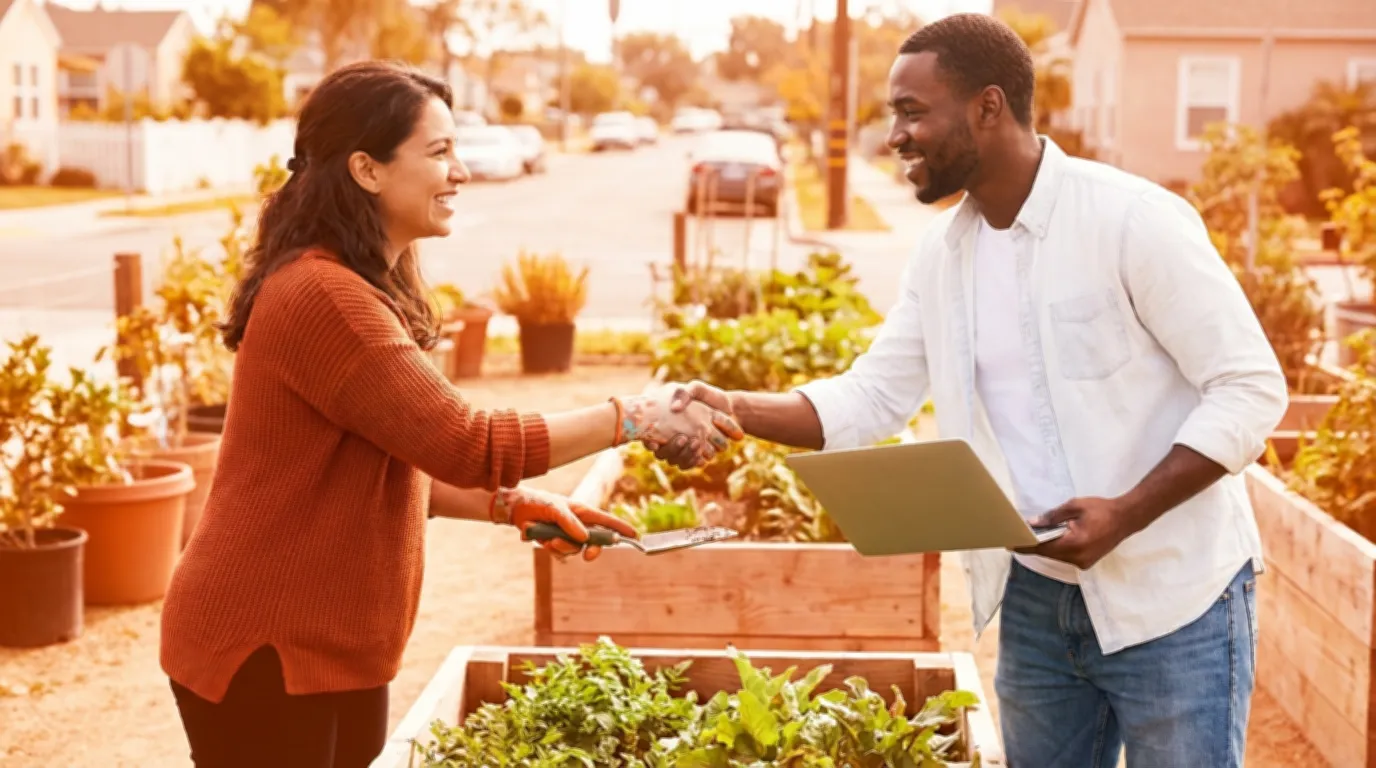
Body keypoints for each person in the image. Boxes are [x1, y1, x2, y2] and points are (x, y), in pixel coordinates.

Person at [658, 13, 1288, 768]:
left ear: (988, 108)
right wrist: (735, 408)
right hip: (1036, 600)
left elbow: (1250, 388)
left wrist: (1126, 513)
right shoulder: (942, 256)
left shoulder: (1133, 221)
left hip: (1174, 597)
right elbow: (871, 397)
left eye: (912, 112)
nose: (895, 136)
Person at [158, 60, 742, 768]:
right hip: (266, 646)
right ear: (367, 170)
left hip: (328, 646)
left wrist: (514, 505)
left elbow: (395, 458)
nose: (461, 172)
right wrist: (634, 415)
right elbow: (468, 442)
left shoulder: (362, 285)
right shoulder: (324, 298)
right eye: (439, 152)